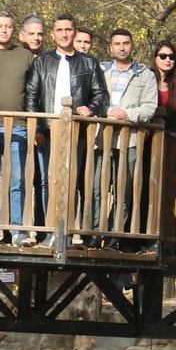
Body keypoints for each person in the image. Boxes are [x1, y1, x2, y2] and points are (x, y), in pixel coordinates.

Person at [23, 14, 108, 234]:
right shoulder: (42, 62)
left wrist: (90, 108)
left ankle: (66, 231)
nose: (64, 34)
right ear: (53, 34)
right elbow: (31, 96)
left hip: (76, 132)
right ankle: (45, 230)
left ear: (74, 32)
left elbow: (100, 93)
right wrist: (36, 128)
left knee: (71, 181)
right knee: (45, 181)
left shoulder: (89, 62)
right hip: (47, 132)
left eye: (68, 30)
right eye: (59, 30)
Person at [97, 28, 160, 238]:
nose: (122, 47)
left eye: (126, 43)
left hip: (130, 141)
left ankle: (116, 236)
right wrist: (108, 114)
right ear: (110, 47)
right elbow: (93, 99)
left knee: (124, 190)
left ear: (132, 45)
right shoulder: (100, 70)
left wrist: (125, 114)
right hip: (100, 139)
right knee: (96, 188)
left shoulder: (146, 75)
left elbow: (149, 107)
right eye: (117, 44)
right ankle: (94, 233)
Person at [0, 13, 35, 242]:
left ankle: (17, 231)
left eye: (8, 27)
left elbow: (34, 92)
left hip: (20, 126)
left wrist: (36, 125)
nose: (4, 30)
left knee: (17, 181)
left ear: (14, 30)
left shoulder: (25, 55)